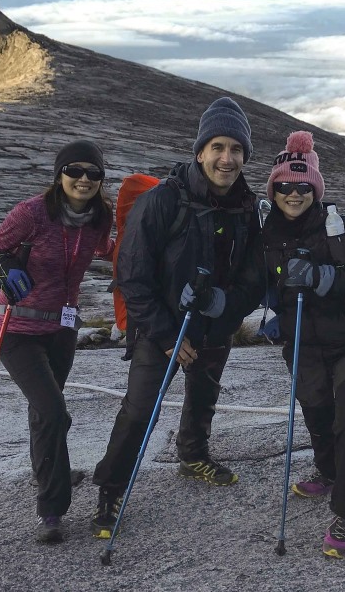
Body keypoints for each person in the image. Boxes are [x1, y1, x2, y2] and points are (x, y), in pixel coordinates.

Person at [90, 97, 259, 539]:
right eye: (218, 147)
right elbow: (132, 273)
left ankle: (193, 454)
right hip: (161, 328)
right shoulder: (164, 201)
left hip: (213, 326)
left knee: (204, 394)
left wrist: (227, 305)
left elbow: (254, 275)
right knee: (140, 409)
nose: (227, 158)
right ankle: (111, 489)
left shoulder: (246, 208)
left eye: (236, 150)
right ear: (200, 151)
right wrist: (165, 334)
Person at [225, 131, 345, 559]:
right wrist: (226, 304)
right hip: (302, 346)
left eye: (302, 187)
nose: (293, 194)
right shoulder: (265, 238)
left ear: (314, 189)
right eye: (283, 186)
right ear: (273, 189)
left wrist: (325, 278)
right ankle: (329, 473)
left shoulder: (339, 230)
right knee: (318, 417)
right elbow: (253, 287)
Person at [0, 140, 114, 543]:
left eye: (94, 173)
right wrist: (3, 269)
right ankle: (52, 509)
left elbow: (105, 248)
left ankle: (48, 469)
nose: (84, 179)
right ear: (60, 174)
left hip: (63, 329)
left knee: (43, 412)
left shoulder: (99, 217)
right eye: (75, 170)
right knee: (55, 412)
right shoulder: (31, 213)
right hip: (17, 329)